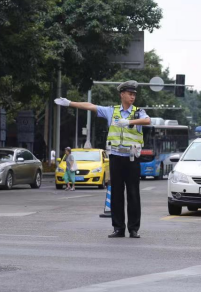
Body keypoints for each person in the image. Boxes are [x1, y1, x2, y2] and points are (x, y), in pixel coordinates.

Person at [54, 80, 150, 238]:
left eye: (134, 95)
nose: (133, 97)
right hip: (116, 158)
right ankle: (118, 228)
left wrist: (130, 122)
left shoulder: (138, 112)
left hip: (132, 158)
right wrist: (70, 103)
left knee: (133, 194)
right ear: (122, 95)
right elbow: (90, 106)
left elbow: (148, 120)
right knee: (117, 194)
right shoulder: (112, 111)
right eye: (130, 94)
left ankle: (133, 229)